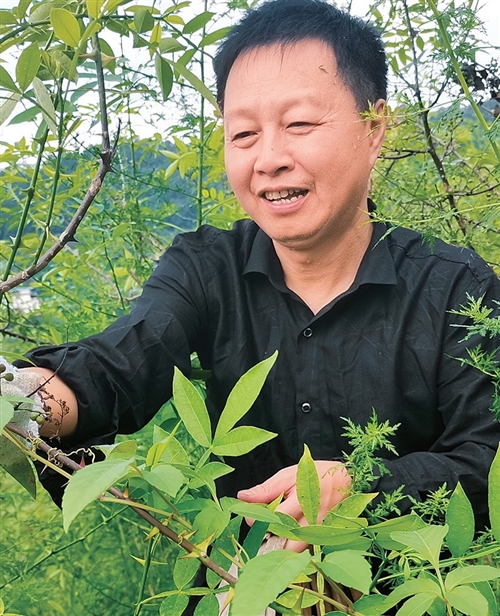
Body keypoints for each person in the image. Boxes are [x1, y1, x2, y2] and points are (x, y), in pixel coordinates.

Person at [13, 0, 500, 537]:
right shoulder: (207, 269)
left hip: (410, 579)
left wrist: (365, 486)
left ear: (374, 127)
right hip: (237, 576)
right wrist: (18, 399)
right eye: (244, 134)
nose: (269, 159)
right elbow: (115, 368)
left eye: (300, 123)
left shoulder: (459, 288)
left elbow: (487, 458)